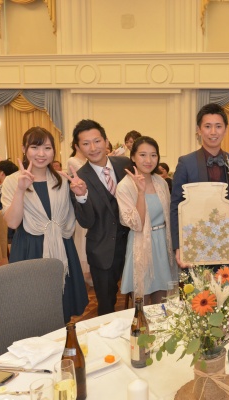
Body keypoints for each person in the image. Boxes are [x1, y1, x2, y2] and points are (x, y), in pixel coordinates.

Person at [1, 127, 88, 323]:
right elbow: (13, 222)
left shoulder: (62, 180)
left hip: (62, 249)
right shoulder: (12, 181)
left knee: (62, 311)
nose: (41, 154)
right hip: (29, 249)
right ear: (24, 149)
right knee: (31, 312)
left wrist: (81, 195)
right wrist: (20, 190)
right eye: (35, 147)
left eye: (47, 148)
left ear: (54, 151)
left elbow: (80, 218)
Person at [66, 119, 132, 315]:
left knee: (140, 298)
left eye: (97, 141)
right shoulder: (78, 178)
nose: (93, 148)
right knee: (106, 305)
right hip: (102, 250)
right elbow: (86, 222)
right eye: (86, 144)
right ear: (78, 147)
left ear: (106, 141)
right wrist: (81, 196)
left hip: (133, 244)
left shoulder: (125, 164)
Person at [170, 103, 229, 269]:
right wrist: (178, 246)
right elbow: (176, 206)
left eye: (218, 126)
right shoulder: (186, 163)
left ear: (225, 129)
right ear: (199, 130)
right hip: (195, 242)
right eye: (207, 126)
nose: (213, 132)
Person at [117, 137, 178, 304]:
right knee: (141, 304)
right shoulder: (125, 186)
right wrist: (141, 192)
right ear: (133, 157)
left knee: (162, 303)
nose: (148, 160)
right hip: (141, 244)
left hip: (162, 244)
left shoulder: (161, 182)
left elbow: (170, 215)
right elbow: (136, 224)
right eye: (143, 155)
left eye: (153, 155)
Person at [67, 139, 92, 286]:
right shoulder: (72, 160)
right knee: (83, 238)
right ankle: (85, 273)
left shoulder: (88, 160)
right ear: (77, 146)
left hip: (89, 200)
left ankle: (90, 271)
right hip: (80, 201)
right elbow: (86, 174)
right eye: (85, 144)